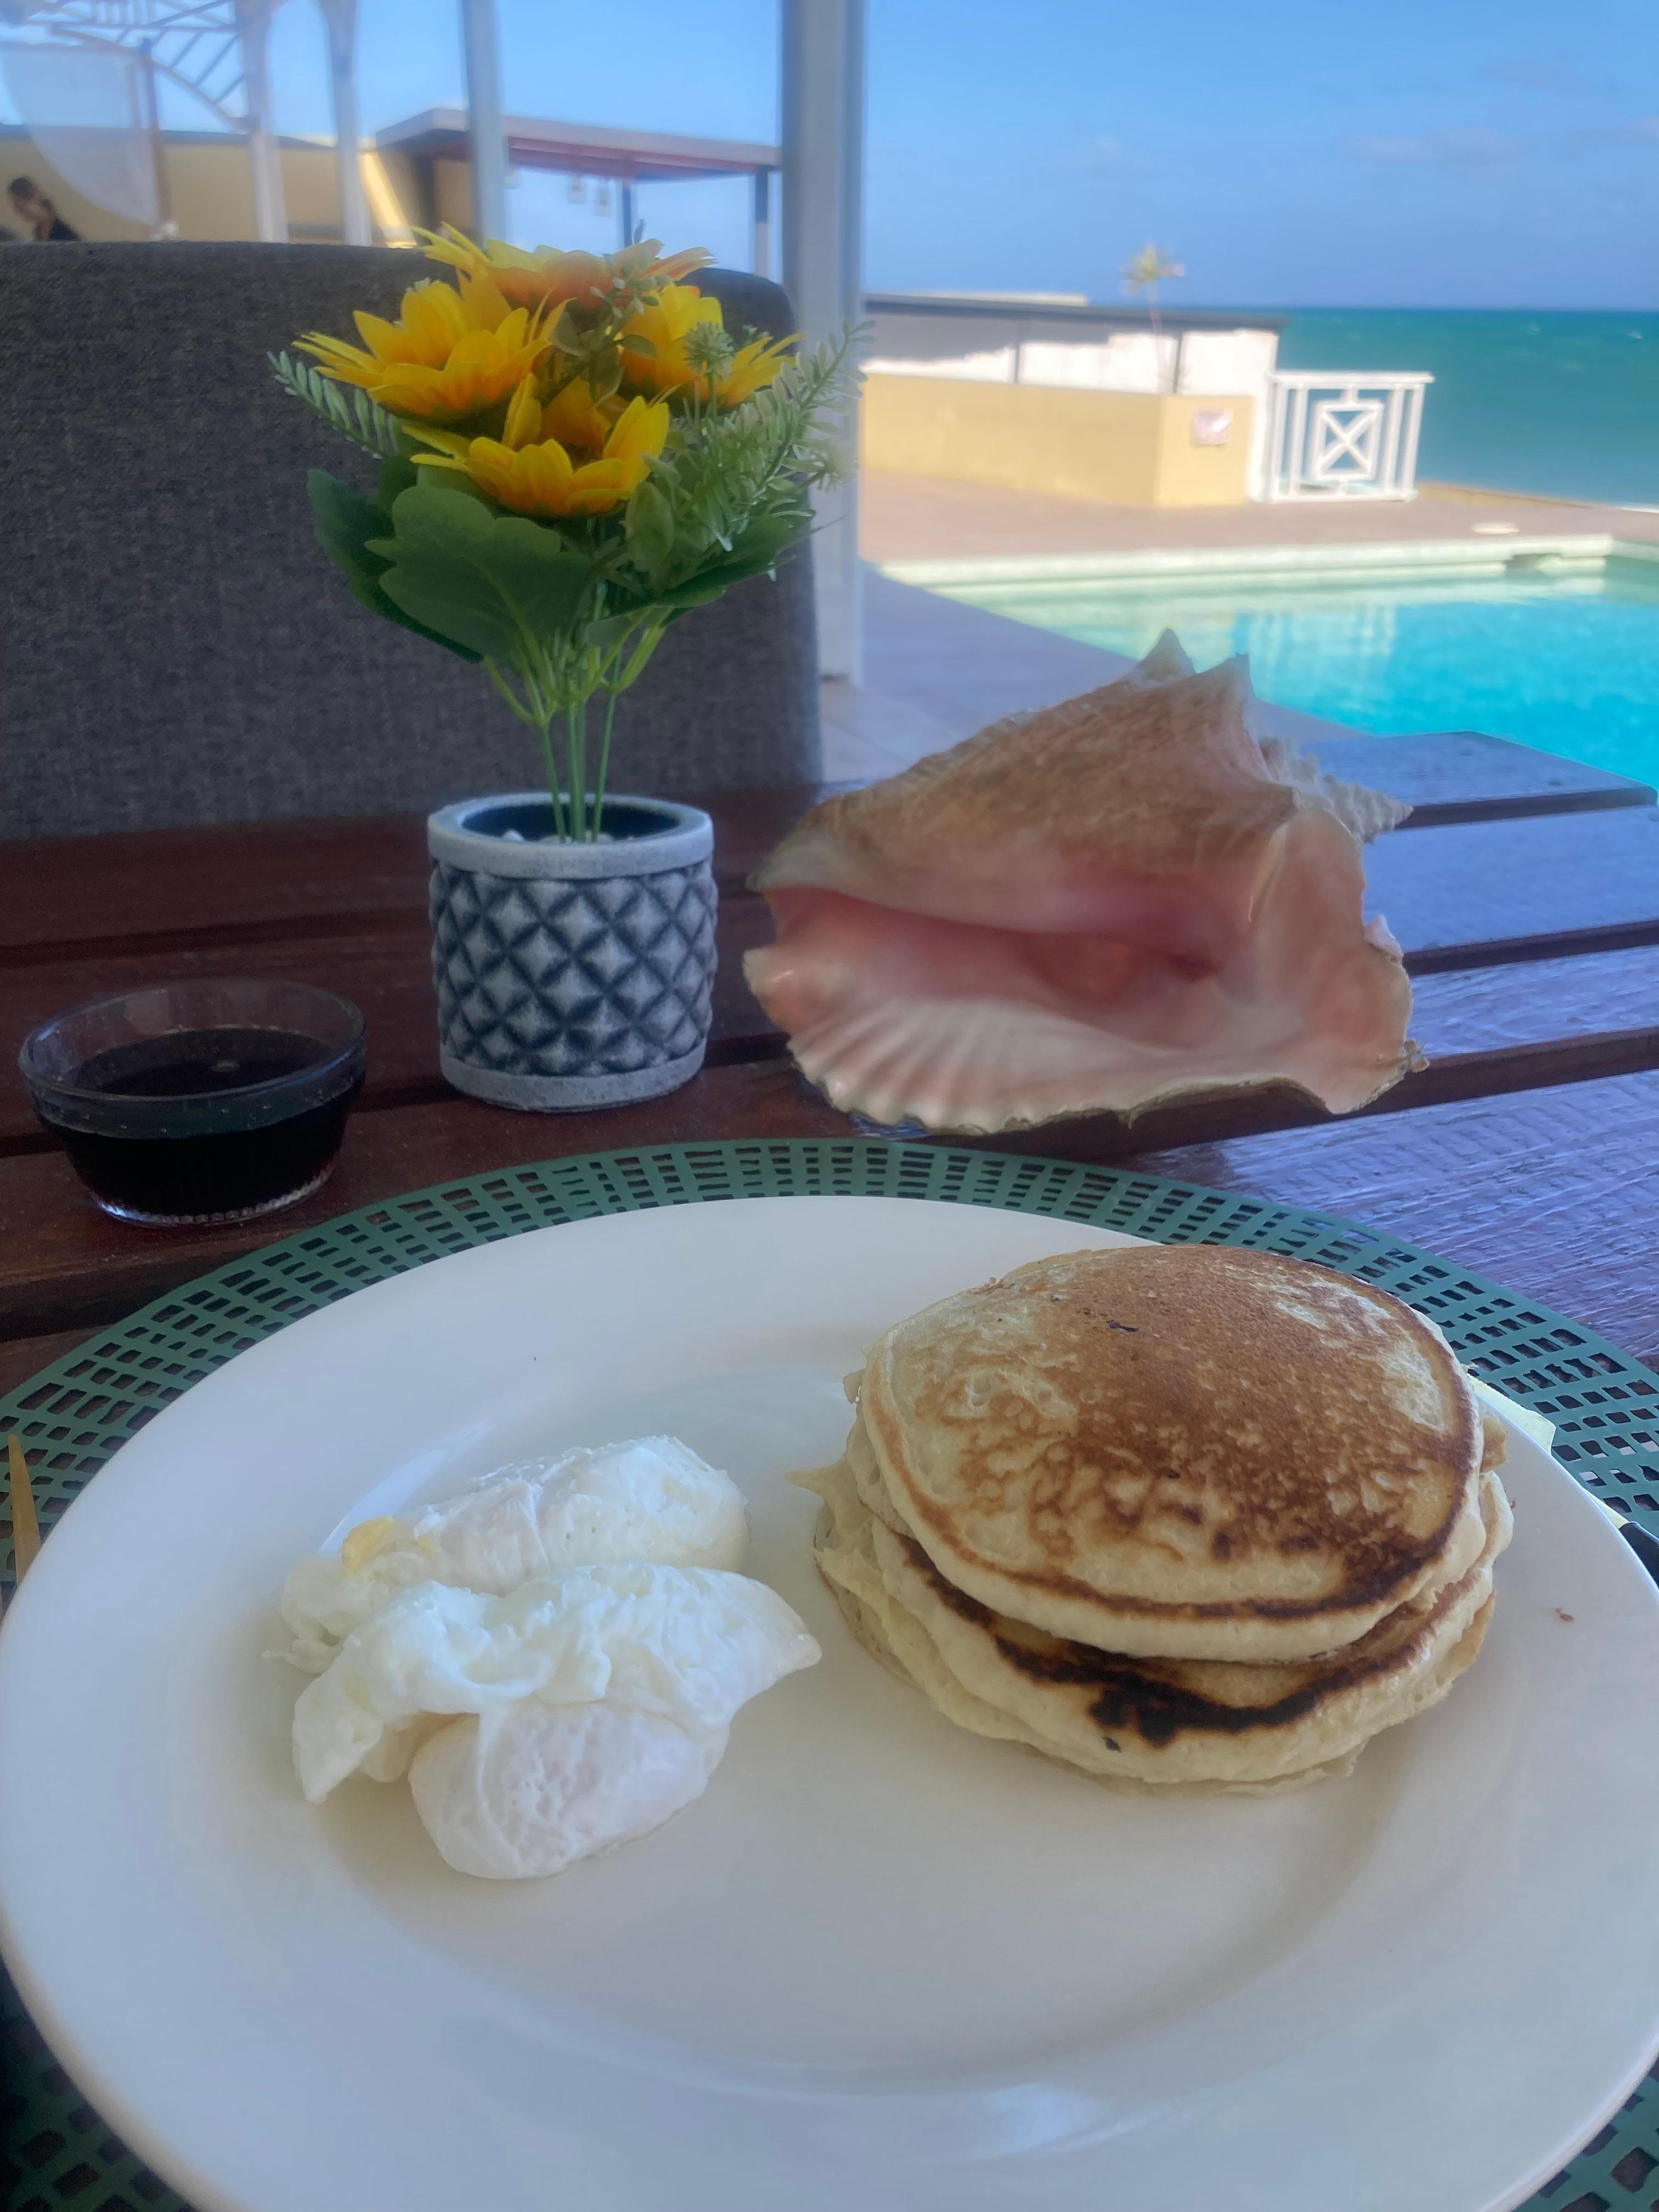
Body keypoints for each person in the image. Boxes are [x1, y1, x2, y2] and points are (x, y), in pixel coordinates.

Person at [8, 178, 79, 241]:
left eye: (21, 208)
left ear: (35, 197)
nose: (20, 213)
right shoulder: (39, 233)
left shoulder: (63, 234)